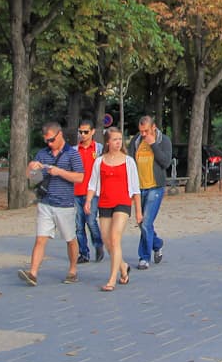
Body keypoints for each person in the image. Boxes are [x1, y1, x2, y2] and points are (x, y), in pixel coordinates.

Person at [19, 122, 85, 286]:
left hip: (65, 204)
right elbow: (33, 179)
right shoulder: (43, 154)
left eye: (51, 140)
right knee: (40, 239)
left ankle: (72, 269)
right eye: (46, 141)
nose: (49, 144)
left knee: (70, 239)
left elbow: (80, 177)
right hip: (45, 203)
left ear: (60, 135)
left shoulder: (72, 154)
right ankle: (33, 273)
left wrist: (60, 172)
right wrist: (31, 168)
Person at [85, 127, 142, 291]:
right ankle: (123, 268)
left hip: (122, 202)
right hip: (104, 202)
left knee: (115, 237)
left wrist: (138, 211)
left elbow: (136, 189)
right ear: (108, 142)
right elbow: (92, 183)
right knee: (107, 240)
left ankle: (111, 279)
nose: (118, 142)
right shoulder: (100, 161)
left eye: (120, 139)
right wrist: (88, 200)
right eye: (115, 139)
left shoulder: (128, 161)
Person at [130, 116, 173, 270]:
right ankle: (157, 243)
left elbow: (165, 162)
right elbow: (130, 162)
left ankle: (144, 257)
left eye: (146, 131)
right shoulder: (136, 141)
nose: (143, 134)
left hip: (155, 187)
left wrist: (153, 144)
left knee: (146, 222)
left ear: (153, 127)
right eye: (141, 131)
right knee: (142, 223)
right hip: (139, 188)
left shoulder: (163, 140)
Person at [72, 119, 104, 265]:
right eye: (80, 132)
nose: (83, 135)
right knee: (79, 225)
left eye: (86, 132)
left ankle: (98, 245)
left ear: (92, 132)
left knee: (91, 221)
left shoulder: (98, 149)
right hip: (76, 191)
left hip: (93, 191)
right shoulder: (73, 150)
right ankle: (83, 253)